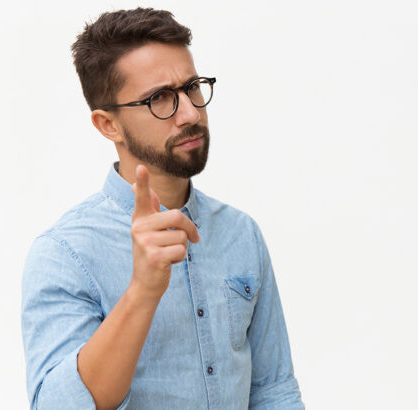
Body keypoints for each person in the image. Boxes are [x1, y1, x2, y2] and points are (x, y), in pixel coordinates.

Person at [20, 7, 304, 410]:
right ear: (108, 125)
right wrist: (142, 292)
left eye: (192, 87)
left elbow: (273, 390)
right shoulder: (65, 253)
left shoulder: (241, 233)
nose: (190, 113)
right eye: (160, 99)